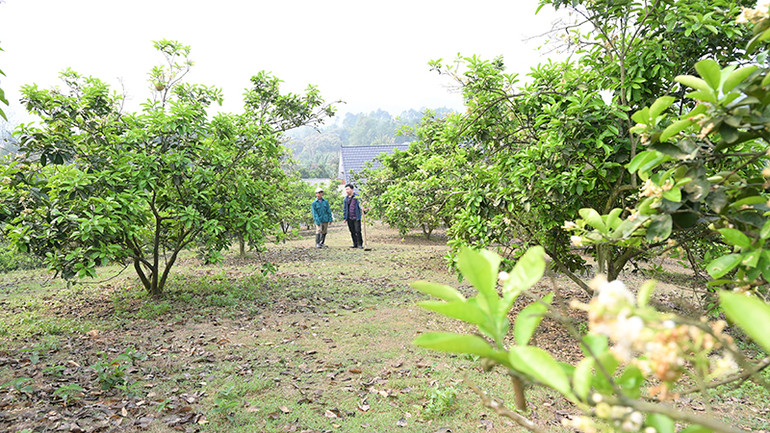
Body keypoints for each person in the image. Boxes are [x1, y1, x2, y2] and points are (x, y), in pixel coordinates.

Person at [343, 183, 364, 249]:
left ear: (352, 189)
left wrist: (363, 209)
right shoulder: (345, 199)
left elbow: (361, 205)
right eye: (346, 189)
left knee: (358, 231)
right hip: (349, 217)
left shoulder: (357, 197)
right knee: (352, 231)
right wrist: (345, 218)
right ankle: (355, 244)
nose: (347, 191)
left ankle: (360, 244)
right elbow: (345, 209)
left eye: (348, 189)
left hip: (356, 217)